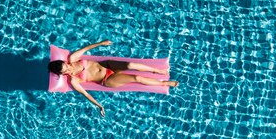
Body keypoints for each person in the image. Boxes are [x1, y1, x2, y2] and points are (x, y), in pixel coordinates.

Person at [47, 40, 178, 117]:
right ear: (63, 74)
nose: (69, 68)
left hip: (107, 64)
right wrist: (99, 106)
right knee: (136, 77)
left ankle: (158, 70)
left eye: (66, 66)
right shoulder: (74, 80)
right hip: (107, 79)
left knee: (130, 65)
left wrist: (101, 43)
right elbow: (86, 94)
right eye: (66, 70)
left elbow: (86, 48)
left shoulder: (73, 58)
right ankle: (164, 83)